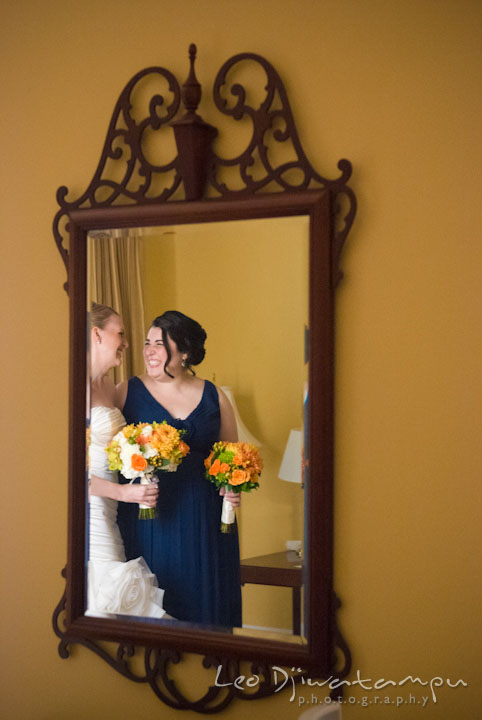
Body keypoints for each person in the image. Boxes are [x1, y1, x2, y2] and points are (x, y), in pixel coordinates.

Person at [116, 310, 242, 627]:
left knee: (207, 603)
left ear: (184, 352)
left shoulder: (215, 395)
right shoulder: (125, 391)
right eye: (147, 343)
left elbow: (231, 457)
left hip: (206, 521)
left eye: (160, 343)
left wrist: (233, 487)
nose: (149, 350)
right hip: (150, 519)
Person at [86, 302, 167, 619]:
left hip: (112, 511)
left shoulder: (108, 387)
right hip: (91, 511)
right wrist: (123, 492)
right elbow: (64, 472)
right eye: (120, 333)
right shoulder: (71, 386)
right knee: (107, 600)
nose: (127, 343)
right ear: (97, 334)